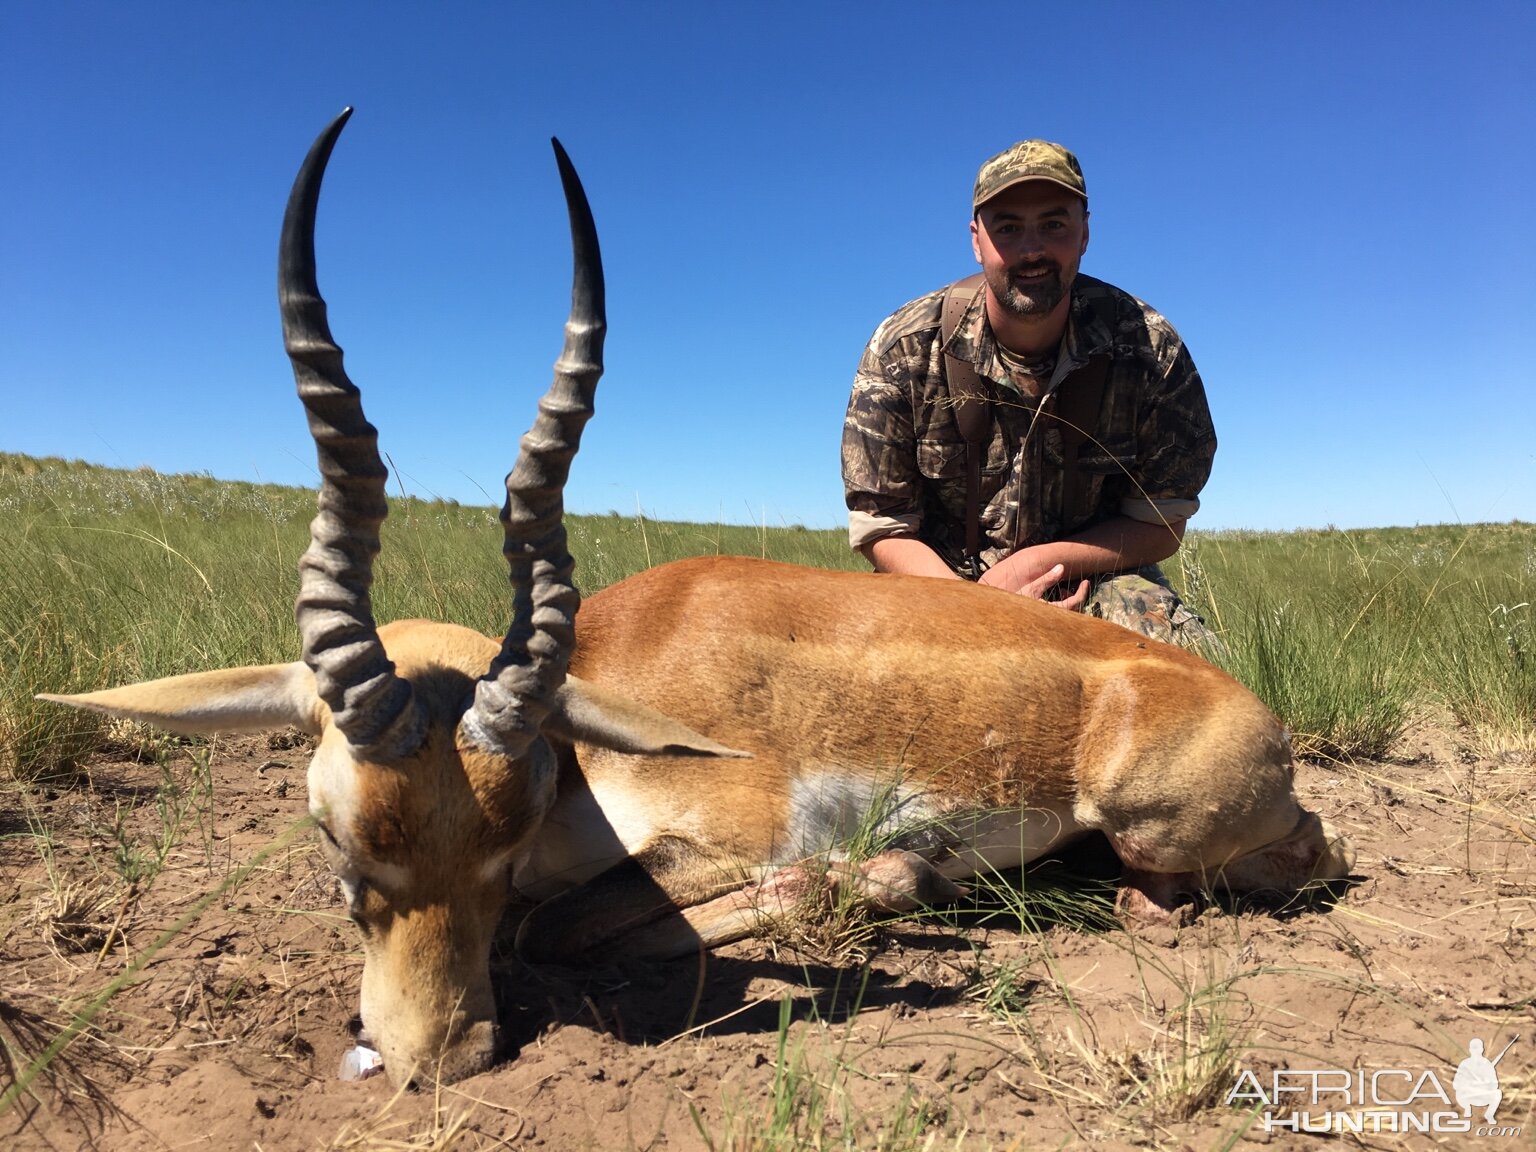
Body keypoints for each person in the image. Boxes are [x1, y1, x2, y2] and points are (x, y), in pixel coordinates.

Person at [842, 139, 1218, 650]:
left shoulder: (1150, 349)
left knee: (1184, 666)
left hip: (1088, 581)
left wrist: (1038, 564)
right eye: (1009, 227)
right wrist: (974, 609)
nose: (1031, 250)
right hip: (937, 590)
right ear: (977, 240)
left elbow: (1161, 523)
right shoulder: (904, 349)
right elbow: (883, 527)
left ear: (1085, 233)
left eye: (1054, 225)